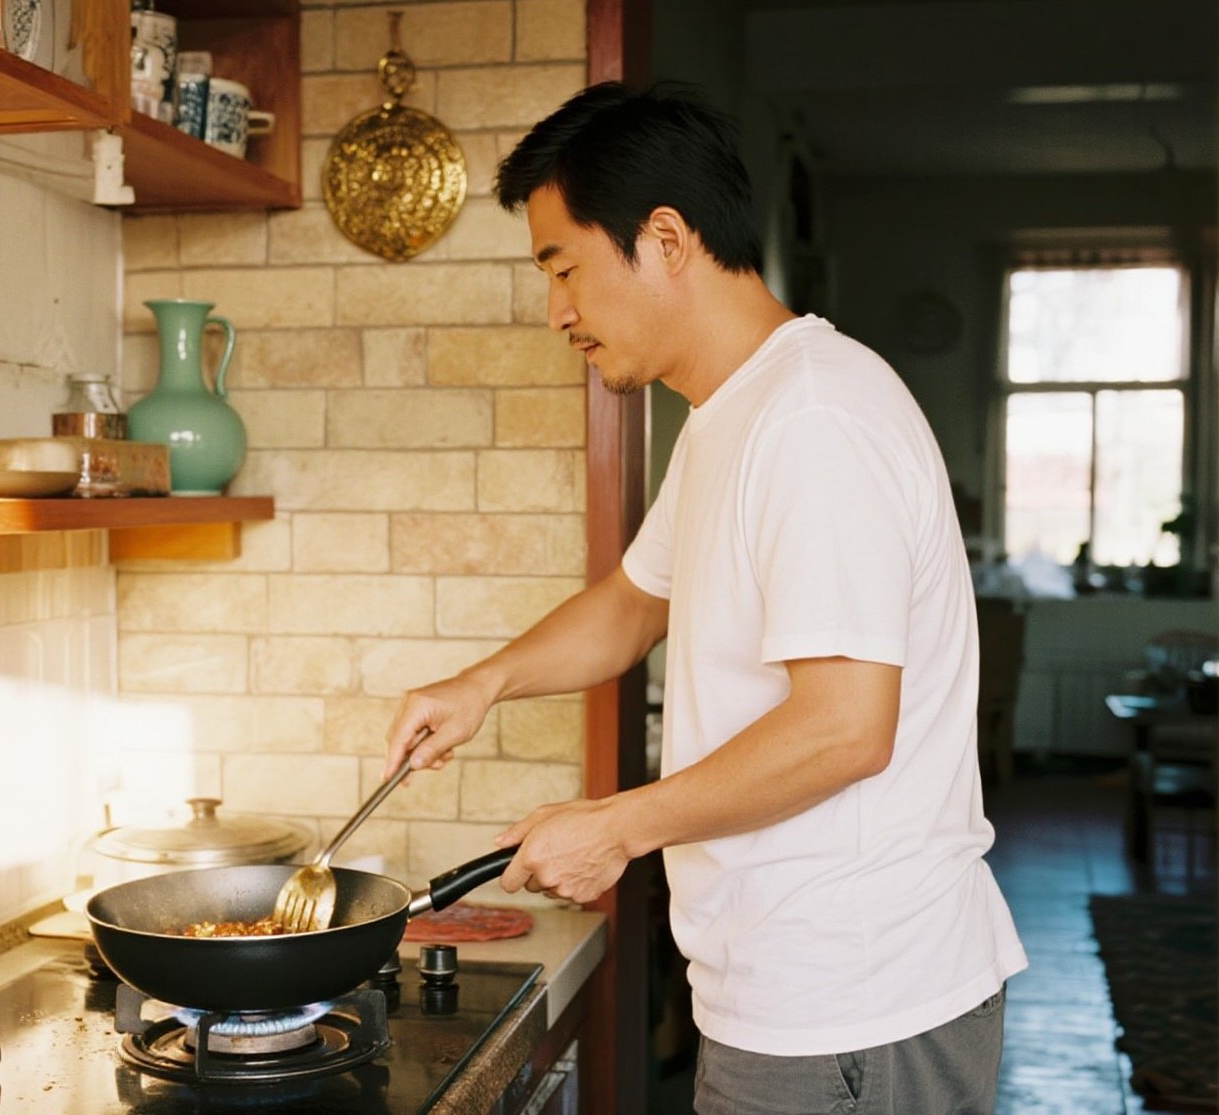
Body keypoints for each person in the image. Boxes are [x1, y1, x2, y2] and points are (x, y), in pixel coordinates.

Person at [383, 81, 1027, 1115]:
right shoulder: (733, 413)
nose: (556, 311)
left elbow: (844, 728)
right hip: (787, 989)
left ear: (666, 238)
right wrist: (480, 682)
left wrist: (617, 825)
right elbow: (634, 602)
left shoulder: (814, 420)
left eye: (564, 268)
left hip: (854, 1003)